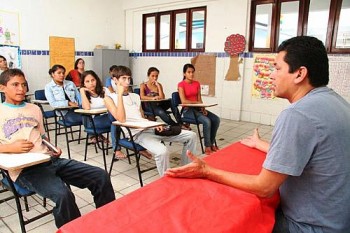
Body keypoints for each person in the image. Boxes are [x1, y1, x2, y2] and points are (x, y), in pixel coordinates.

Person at [166, 36, 350, 233]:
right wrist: (261, 144)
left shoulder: (298, 114)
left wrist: (207, 171)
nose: (271, 75)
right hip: (339, 218)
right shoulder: (338, 103)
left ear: (299, 74)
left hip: (310, 226)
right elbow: (310, 155)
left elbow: (264, 187)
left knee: (236, 217)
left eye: (277, 68)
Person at [0, 68, 115, 228]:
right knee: (63, 195)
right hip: (25, 170)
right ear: (2, 87)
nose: (21, 89)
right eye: (15, 85)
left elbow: (42, 136)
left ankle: (108, 222)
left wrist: (51, 147)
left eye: (24, 84)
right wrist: (10, 147)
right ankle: (73, 230)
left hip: (50, 160)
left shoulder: (33, 109)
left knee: (100, 176)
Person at [104, 65, 197, 176]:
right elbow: (121, 119)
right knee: (162, 151)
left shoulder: (135, 96)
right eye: (123, 78)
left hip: (150, 128)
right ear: (115, 80)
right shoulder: (109, 98)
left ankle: (186, 169)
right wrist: (119, 94)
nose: (127, 82)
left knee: (191, 136)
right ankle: (167, 179)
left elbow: (141, 118)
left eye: (128, 78)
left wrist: (154, 125)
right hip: (137, 134)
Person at [80, 70, 125, 158]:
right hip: (92, 122)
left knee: (114, 121)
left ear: (96, 80)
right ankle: (119, 147)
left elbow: (114, 103)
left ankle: (117, 149)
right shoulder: (83, 94)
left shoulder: (105, 90)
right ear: (84, 83)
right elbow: (87, 108)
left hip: (108, 118)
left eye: (93, 80)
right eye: (87, 81)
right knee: (115, 119)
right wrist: (82, 91)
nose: (91, 83)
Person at [178, 63, 220, 155]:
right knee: (207, 121)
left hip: (197, 109)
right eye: (189, 72)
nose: (191, 74)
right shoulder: (181, 85)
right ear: (184, 74)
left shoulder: (197, 83)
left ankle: (212, 143)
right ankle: (208, 146)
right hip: (187, 110)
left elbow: (199, 99)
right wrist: (196, 103)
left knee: (216, 119)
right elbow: (184, 101)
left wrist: (203, 108)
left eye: (193, 72)